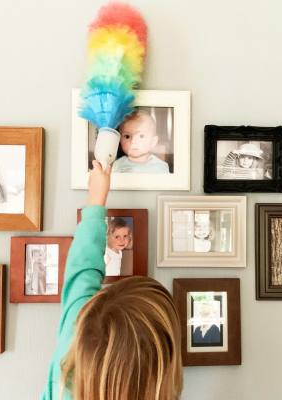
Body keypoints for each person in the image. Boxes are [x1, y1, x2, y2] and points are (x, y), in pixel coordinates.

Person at [42, 160, 182, 400]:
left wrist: (96, 202)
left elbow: (82, 273)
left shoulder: (72, 347)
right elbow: (81, 277)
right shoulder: (77, 334)